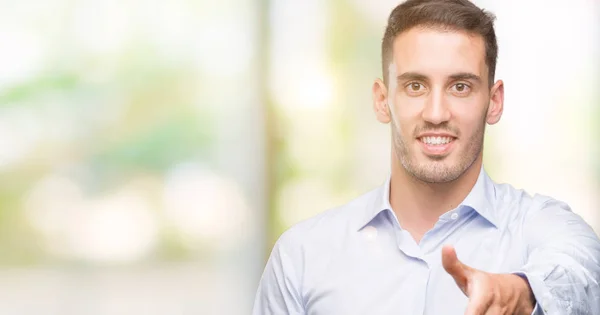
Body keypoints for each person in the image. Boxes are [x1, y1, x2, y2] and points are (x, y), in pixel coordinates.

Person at [252, 0, 600, 314]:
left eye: (460, 86)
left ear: (494, 102)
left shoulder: (543, 228)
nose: (436, 113)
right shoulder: (302, 256)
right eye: (415, 86)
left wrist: (524, 293)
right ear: (381, 100)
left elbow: (581, 272)